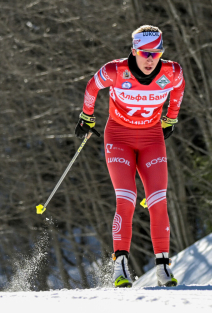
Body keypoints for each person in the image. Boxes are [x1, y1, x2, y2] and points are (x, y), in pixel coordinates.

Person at [74, 25, 185, 287]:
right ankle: (121, 266)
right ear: (134, 50)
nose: (150, 59)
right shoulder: (115, 70)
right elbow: (92, 86)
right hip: (119, 138)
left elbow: (179, 90)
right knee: (127, 199)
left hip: (152, 140)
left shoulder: (172, 72)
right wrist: (86, 116)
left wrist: (171, 118)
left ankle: (162, 269)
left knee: (158, 200)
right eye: (144, 53)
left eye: (156, 54)